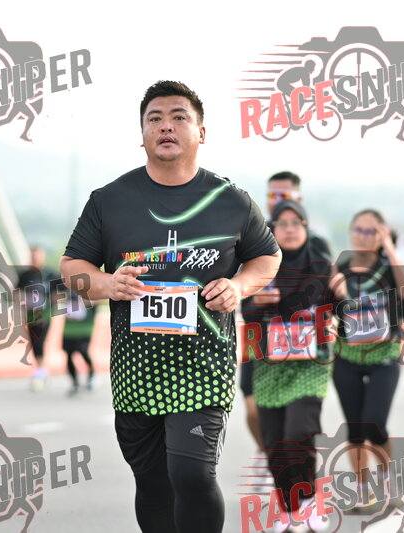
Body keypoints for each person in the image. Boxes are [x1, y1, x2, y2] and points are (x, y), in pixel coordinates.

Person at [60, 80, 281, 533]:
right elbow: (72, 267)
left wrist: (239, 286)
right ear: (141, 133)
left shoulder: (231, 201)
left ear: (201, 132)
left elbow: (267, 257)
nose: (166, 126)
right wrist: (107, 283)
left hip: (204, 365)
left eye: (179, 117)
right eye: (155, 119)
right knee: (153, 483)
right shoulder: (109, 201)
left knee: (192, 474)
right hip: (136, 369)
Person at [241, 199, 332, 531]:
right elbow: (246, 311)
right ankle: (288, 506)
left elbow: (339, 305)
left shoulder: (321, 265)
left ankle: (308, 499)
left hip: (310, 363)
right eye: (283, 223)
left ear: (306, 228)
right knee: (275, 441)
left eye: (297, 223)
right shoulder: (260, 266)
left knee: (298, 433)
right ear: (272, 229)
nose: (290, 229)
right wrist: (256, 301)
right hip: (269, 363)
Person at [328, 208, 404, 509]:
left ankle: (388, 480)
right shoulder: (339, 266)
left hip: (385, 355)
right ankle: (362, 488)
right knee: (355, 428)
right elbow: (323, 305)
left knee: (375, 425)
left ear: (382, 236)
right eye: (358, 229)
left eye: (371, 232)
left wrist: (390, 249)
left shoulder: (390, 268)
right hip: (347, 355)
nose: (363, 236)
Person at [17, 246, 59, 391]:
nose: (34, 258)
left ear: (43, 256)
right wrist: (21, 300)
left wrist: (53, 300)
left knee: (40, 339)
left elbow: (59, 292)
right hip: (30, 314)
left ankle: (40, 370)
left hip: (45, 313)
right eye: (32, 255)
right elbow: (16, 292)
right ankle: (41, 369)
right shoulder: (25, 275)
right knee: (34, 341)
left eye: (37, 255)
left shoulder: (50, 273)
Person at [62, 288, 96, 396]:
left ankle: (91, 375)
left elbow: (99, 298)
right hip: (68, 333)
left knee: (84, 353)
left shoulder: (89, 293)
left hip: (84, 332)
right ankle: (74, 382)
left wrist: (85, 300)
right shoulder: (68, 291)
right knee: (69, 356)